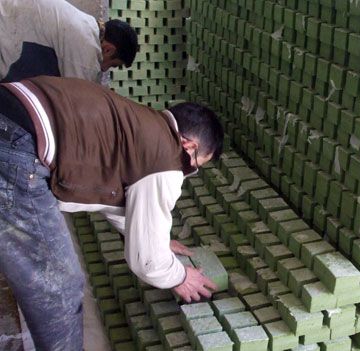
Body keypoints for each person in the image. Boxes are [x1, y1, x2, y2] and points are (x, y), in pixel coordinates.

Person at [0, 76, 224, 350]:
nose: (189, 171)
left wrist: (155, 238)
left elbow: (119, 194)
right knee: (60, 286)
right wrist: (180, 276)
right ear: (189, 146)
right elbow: (147, 261)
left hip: (11, 113)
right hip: (17, 144)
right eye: (195, 165)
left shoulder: (141, 125)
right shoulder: (167, 157)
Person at [0, 0, 139, 83]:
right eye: (112, 65)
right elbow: (76, 101)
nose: (104, 69)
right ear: (108, 49)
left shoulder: (86, 25)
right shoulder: (86, 48)